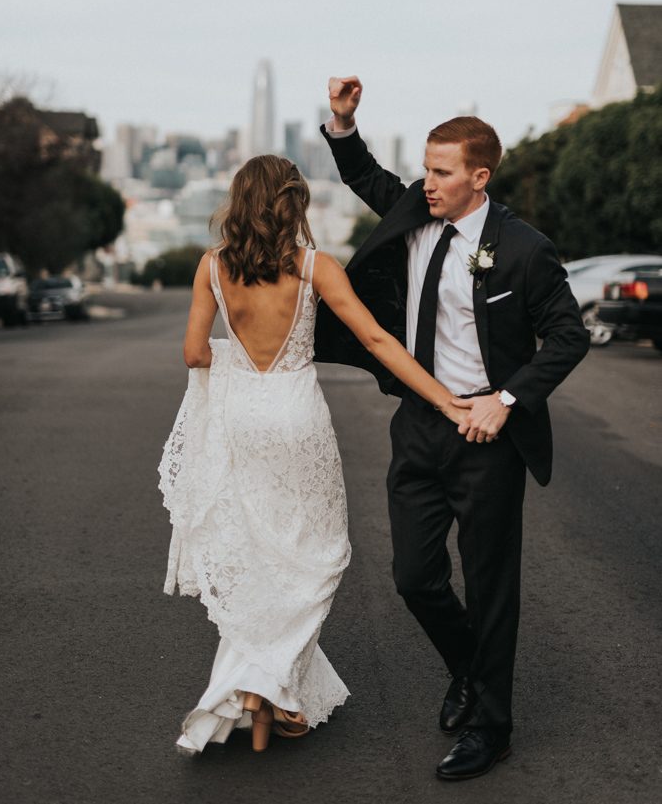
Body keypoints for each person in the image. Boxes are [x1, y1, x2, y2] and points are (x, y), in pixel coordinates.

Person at [315, 77, 590, 780]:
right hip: (419, 420)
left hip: (487, 432)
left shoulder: (525, 249)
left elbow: (567, 335)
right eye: (427, 169)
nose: (426, 182)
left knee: (493, 581)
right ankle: (467, 664)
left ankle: (491, 726)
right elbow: (362, 173)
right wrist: (344, 123)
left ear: (479, 176)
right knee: (414, 575)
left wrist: (507, 398)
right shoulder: (415, 210)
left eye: (441, 172)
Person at [158, 154, 471, 756]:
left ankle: (258, 690)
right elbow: (376, 339)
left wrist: (238, 361)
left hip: (243, 418)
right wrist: (444, 398)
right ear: (294, 204)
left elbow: (196, 354)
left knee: (259, 550)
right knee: (315, 553)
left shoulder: (212, 268)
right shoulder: (314, 268)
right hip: (298, 414)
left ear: (238, 202)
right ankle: (270, 686)